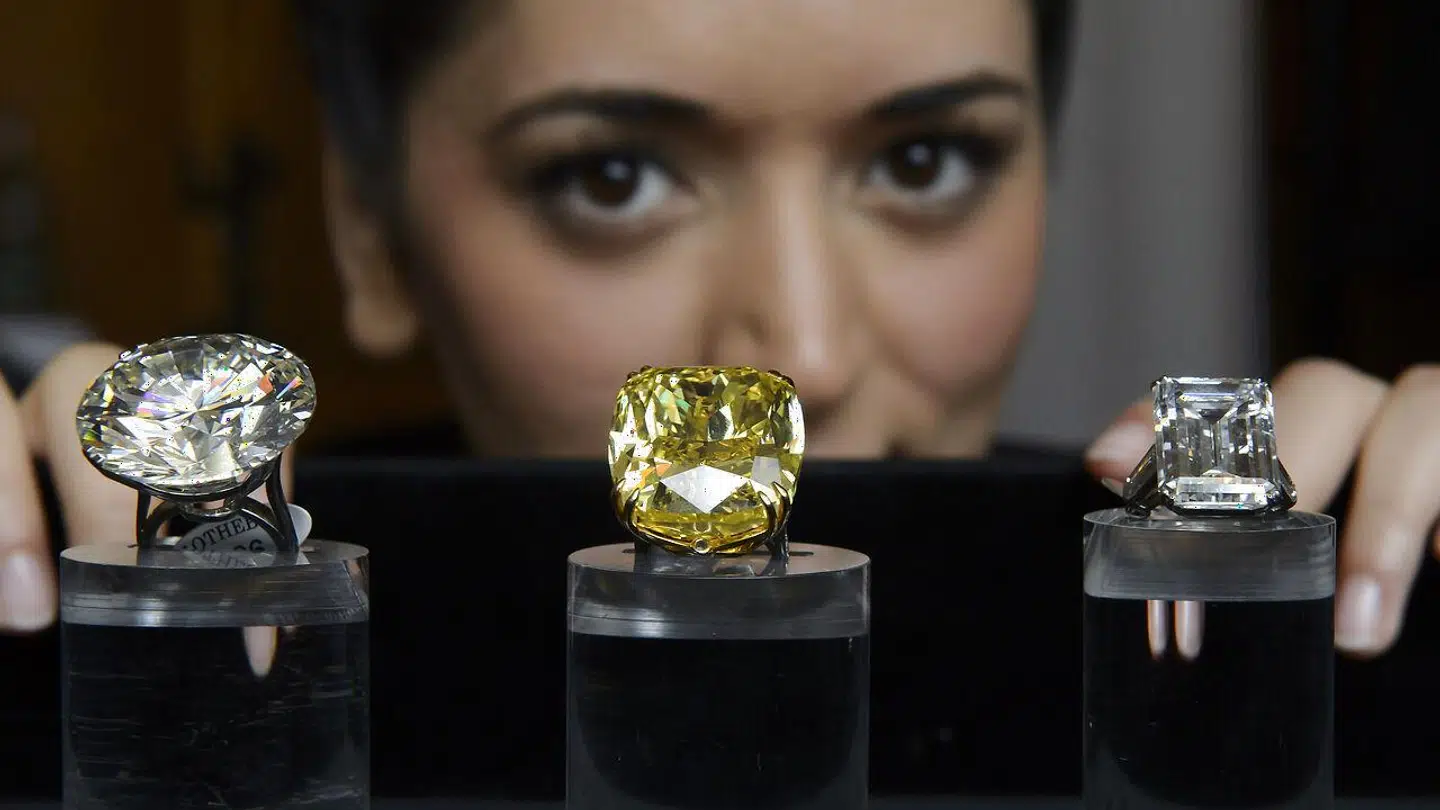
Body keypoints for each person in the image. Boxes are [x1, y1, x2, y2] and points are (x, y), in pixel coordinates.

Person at [0, 0, 1434, 661]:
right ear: (369, 228)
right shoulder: (225, 645)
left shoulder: (1225, 625)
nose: (799, 353)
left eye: (927, 159)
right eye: (611, 176)